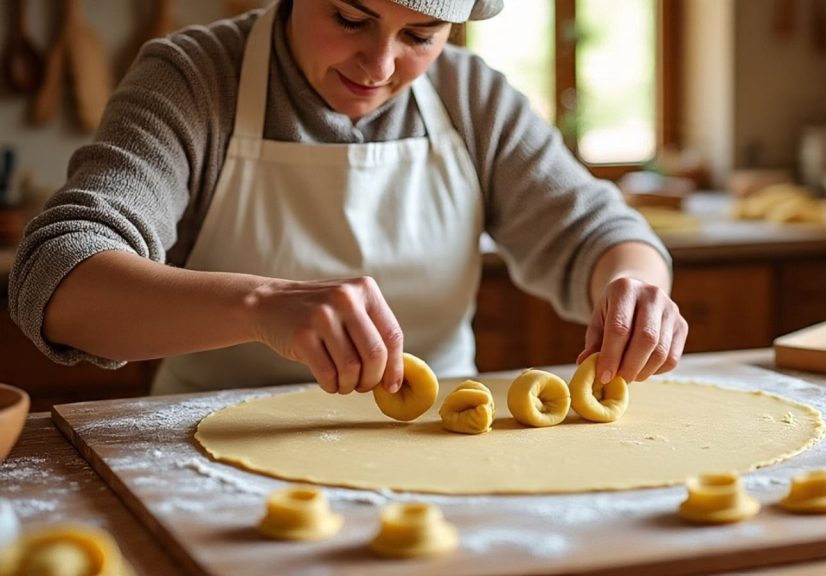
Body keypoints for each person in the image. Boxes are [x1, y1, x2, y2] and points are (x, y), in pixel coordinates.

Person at [9, 0, 687, 397]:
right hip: (206, 448)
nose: (380, 66)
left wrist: (634, 288)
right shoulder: (193, 80)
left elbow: (598, 231)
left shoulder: (471, 98)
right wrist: (262, 306)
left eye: (420, 36)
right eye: (351, 18)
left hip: (438, 444)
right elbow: (58, 277)